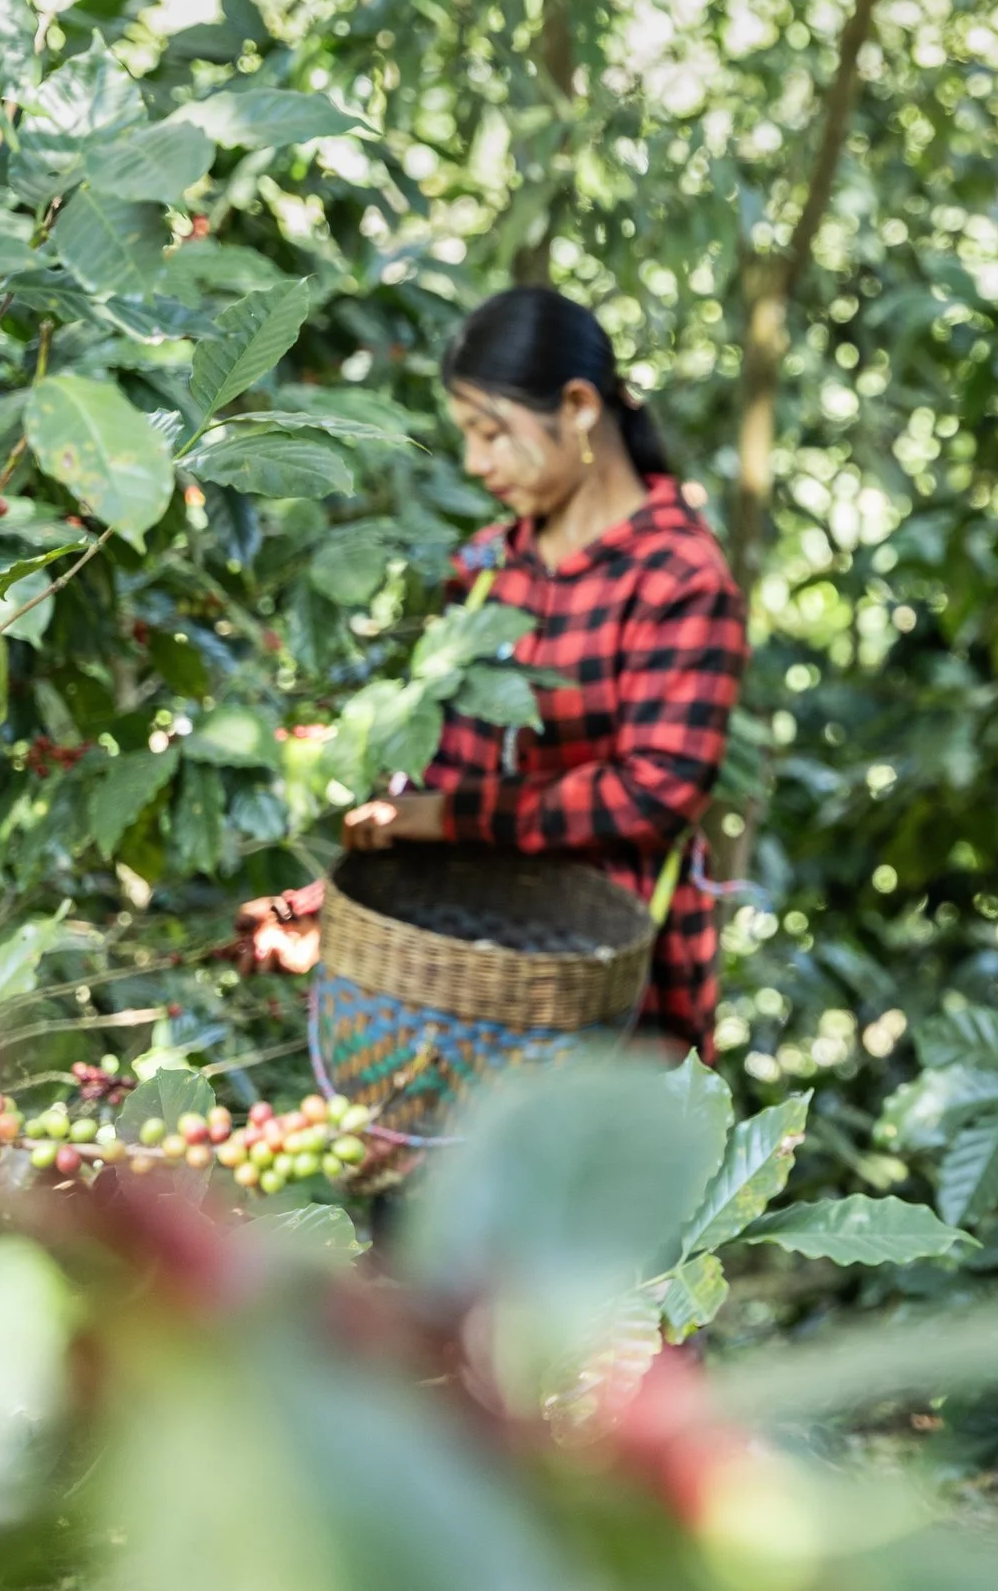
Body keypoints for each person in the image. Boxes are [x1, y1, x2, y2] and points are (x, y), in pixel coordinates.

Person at [235, 286, 747, 1059]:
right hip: (456, 995)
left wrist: (449, 817)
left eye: (492, 433)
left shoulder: (677, 574)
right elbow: (436, 778)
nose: (477, 463)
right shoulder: (485, 566)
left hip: (603, 1005)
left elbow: (654, 792)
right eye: (468, 435)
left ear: (577, 406)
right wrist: (325, 909)